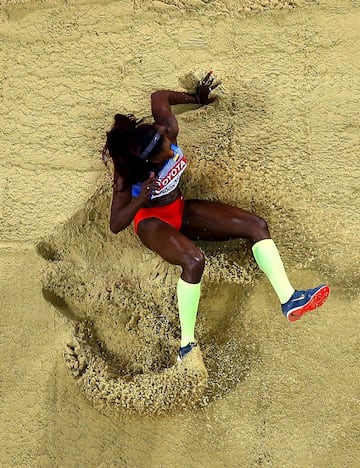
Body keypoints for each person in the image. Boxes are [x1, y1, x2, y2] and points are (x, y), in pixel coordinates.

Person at [103, 72, 330, 361]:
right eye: (164, 156)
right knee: (194, 260)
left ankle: (289, 299)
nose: (172, 154)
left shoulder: (167, 132)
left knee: (256, 225)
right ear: (147, 161)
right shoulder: (126, 175)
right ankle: (187, 346)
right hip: (151, 222)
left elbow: (158, 97)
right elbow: (115, 224)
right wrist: (141, 199)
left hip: (179, 210)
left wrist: (195, 98)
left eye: (168, 146)